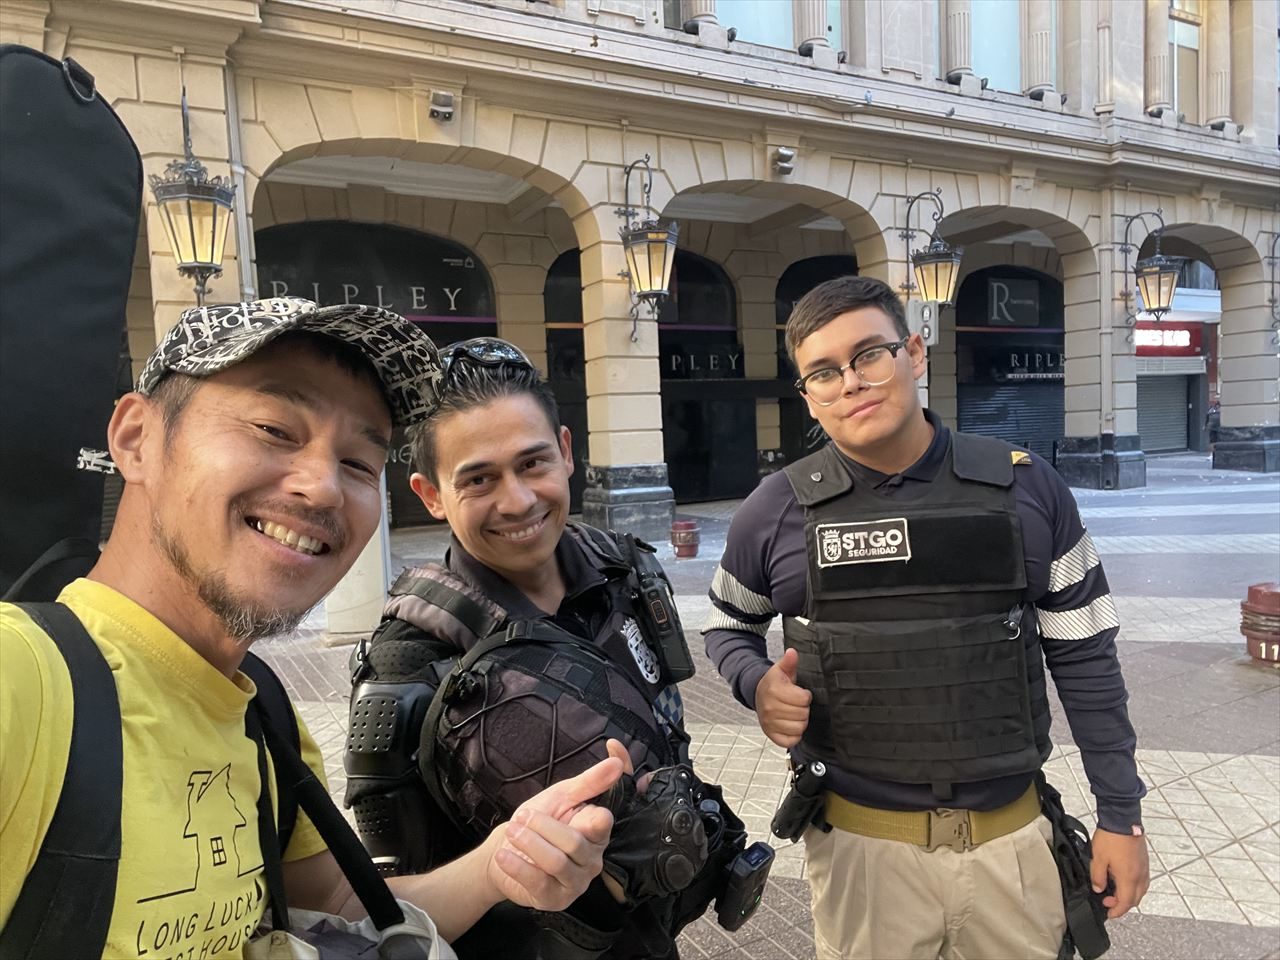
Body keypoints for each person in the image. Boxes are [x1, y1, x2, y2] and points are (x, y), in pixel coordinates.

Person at [0, 298, 623, 959]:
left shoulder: (264, 716)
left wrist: (498, 866)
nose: (324, 488)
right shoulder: (22, 682)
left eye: (358, 463)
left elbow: (340, 904)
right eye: (274, 429)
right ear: (136, 439)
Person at [703, 276, 1150, 959]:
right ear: (808, 395)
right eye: (823, 372)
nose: (851, 383)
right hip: (860, 858)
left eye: (869, 355)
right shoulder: (773, 511)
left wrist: (1122, 816)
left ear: (914, 353)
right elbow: (727, 623)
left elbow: (1086, 657)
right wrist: (755, 682)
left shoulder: (1029, 488)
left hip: (1011, 849)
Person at [344, 339, 749, 960]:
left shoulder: (627, 575)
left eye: (532, 463)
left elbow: (669, 733)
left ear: (565, 451)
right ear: (429, 494)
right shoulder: (405, 668)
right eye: (479, 479)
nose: (517, 501)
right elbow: (387, 907)